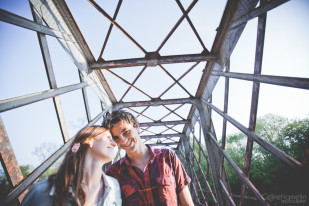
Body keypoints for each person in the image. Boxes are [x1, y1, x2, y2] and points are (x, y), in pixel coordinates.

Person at [102, 109, 194, 206]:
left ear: (136, 127)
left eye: (126, 132)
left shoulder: (168, 157)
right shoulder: (113, 172)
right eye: (116, 138)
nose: (123, 141)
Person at [21, 126, 122, 206]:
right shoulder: (43, 191)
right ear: (89, 141)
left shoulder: (114, 187)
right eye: (108, 138)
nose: (115, 144)